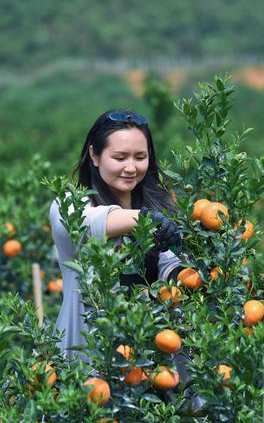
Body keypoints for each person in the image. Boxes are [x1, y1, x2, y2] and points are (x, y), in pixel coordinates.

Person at [49, 109, 183, 361]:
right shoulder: (70, 204)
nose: (130, 167)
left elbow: (172, 268)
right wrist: (146, 221)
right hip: (90, 358)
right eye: (120, 157)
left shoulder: (163, 207)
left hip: (152, 357)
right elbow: (86, 223)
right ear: (94, 155)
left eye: (140, 157)